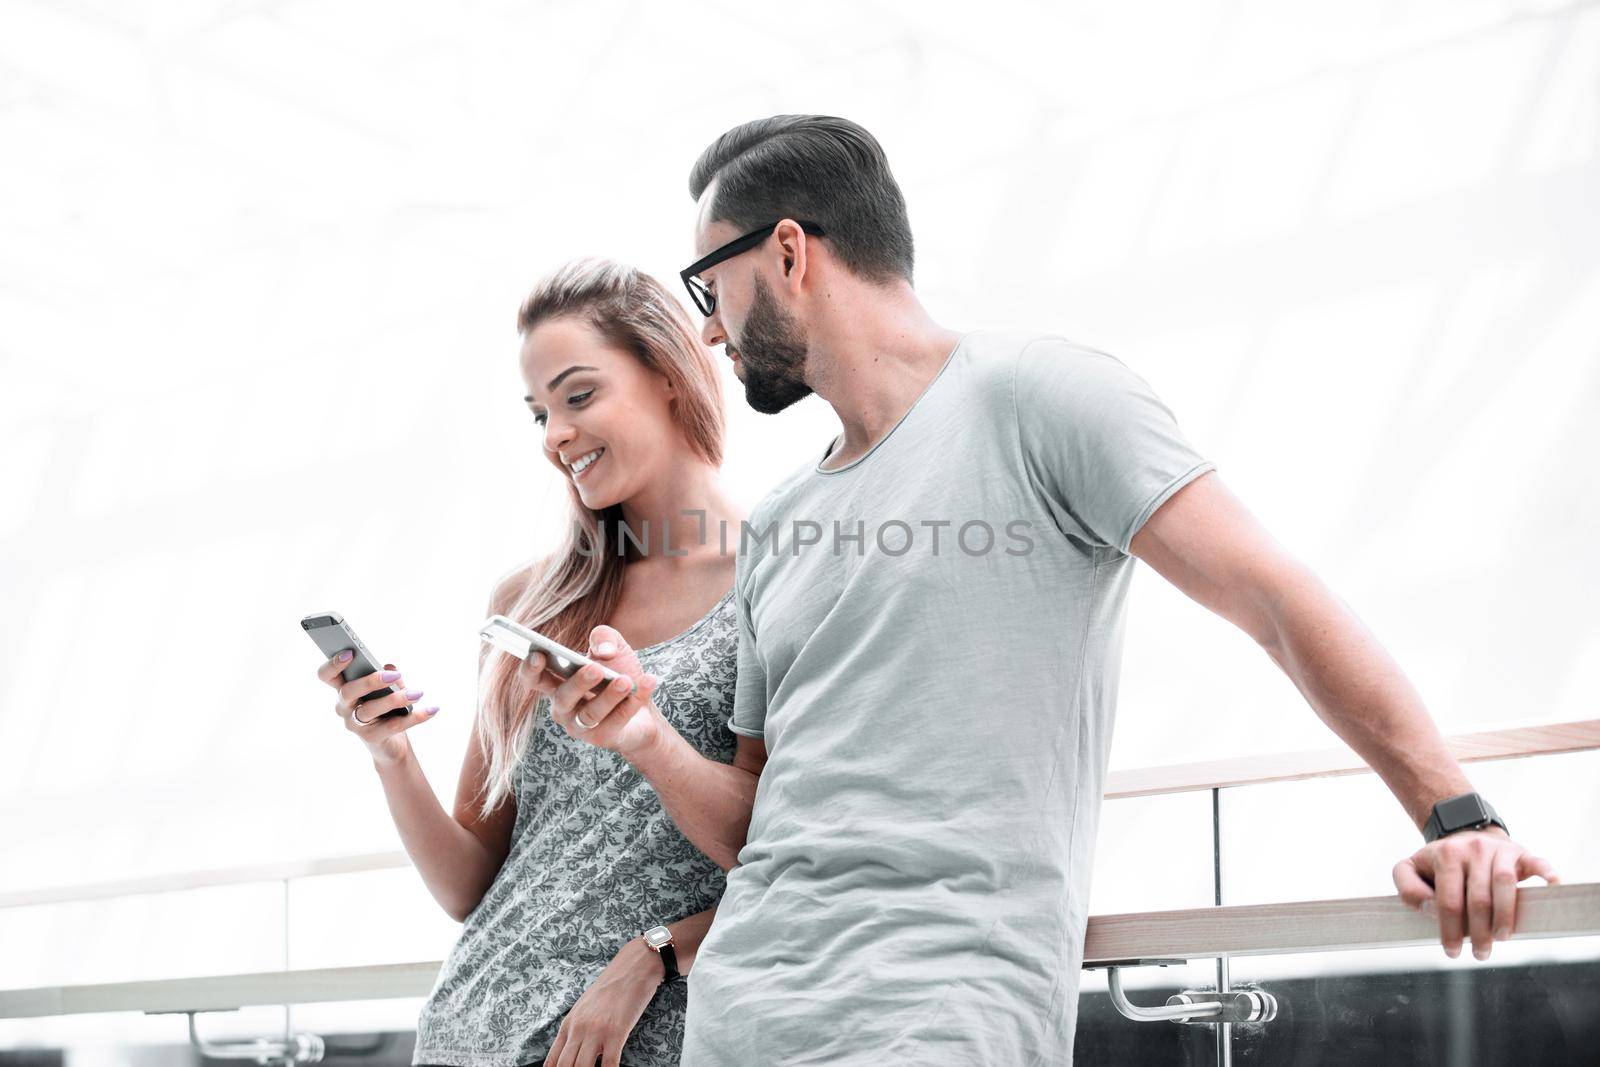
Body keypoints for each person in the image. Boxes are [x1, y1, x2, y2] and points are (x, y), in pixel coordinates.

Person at [551, 116, 1564, 1064]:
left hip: (939, 1015)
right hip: (740, 1022)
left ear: (786, 252)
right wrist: (641, 731)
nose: (709, 330)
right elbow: (758, 824)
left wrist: (1456, 815)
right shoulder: (773, 525)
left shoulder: (1039, 396)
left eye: (707, 282)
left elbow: (1273, 598)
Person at [313, 258, 745, 1067]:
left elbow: (798, 854)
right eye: (540, 412)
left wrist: (660, 948)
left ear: (670, 376)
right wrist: (391, 754)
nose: (555, 436)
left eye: (579, 397)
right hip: (465, 1031)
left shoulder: (776, 580)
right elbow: (467, 884)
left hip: (638, 1042)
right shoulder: (534, 599)